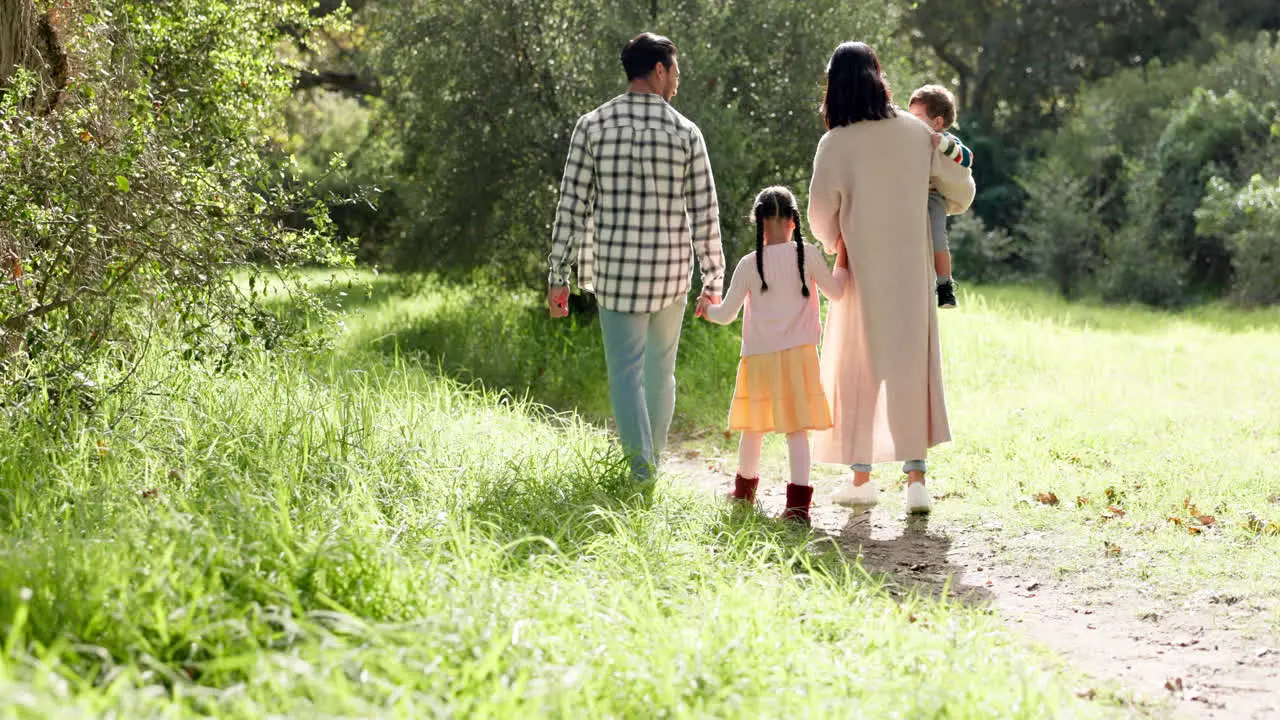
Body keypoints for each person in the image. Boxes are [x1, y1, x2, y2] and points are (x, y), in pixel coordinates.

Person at [546, 32, 726, 482]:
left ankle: (641, 473)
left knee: (625, 375)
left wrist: (558, 274)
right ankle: (653, 464)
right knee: (661, 374)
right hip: (669, 276)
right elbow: (706, 212)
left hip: (617, 275)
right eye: (676, 73)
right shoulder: (686, 132)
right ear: (659, 70)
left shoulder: (592, 125)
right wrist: (714, 278)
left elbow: (571, 204)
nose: (677, 83)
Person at [807, 42, 975, 513]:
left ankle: (860, 479)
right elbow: (961, 188)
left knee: (858, 370)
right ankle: (916, 481)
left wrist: (836, 242)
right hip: (912, 268)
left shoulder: (835, 142)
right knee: (909, 368)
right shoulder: (914, 131)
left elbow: (820, 216)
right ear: (879, 77)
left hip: (859, 269)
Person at [698, 187, 849, 525]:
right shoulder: (808, 255)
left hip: (759, 359)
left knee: (753, 429)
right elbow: (837, 292)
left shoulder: (750, 264)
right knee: (797, 431)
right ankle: (798, 510)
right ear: (793, 221)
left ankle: (743, 495)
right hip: (800, 357)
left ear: (759, 223)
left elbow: (725, 315)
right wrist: (842, 257)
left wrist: (706, 308)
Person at [907, 84, 974, 309]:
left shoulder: (946, 140)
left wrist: (943, 144)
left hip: (933, 196)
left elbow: (966, 158)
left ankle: (945, 284)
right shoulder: (909, 138)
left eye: (917, 117)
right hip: (910, 194)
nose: (911, 121)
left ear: (936, 122)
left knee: (937, 235)